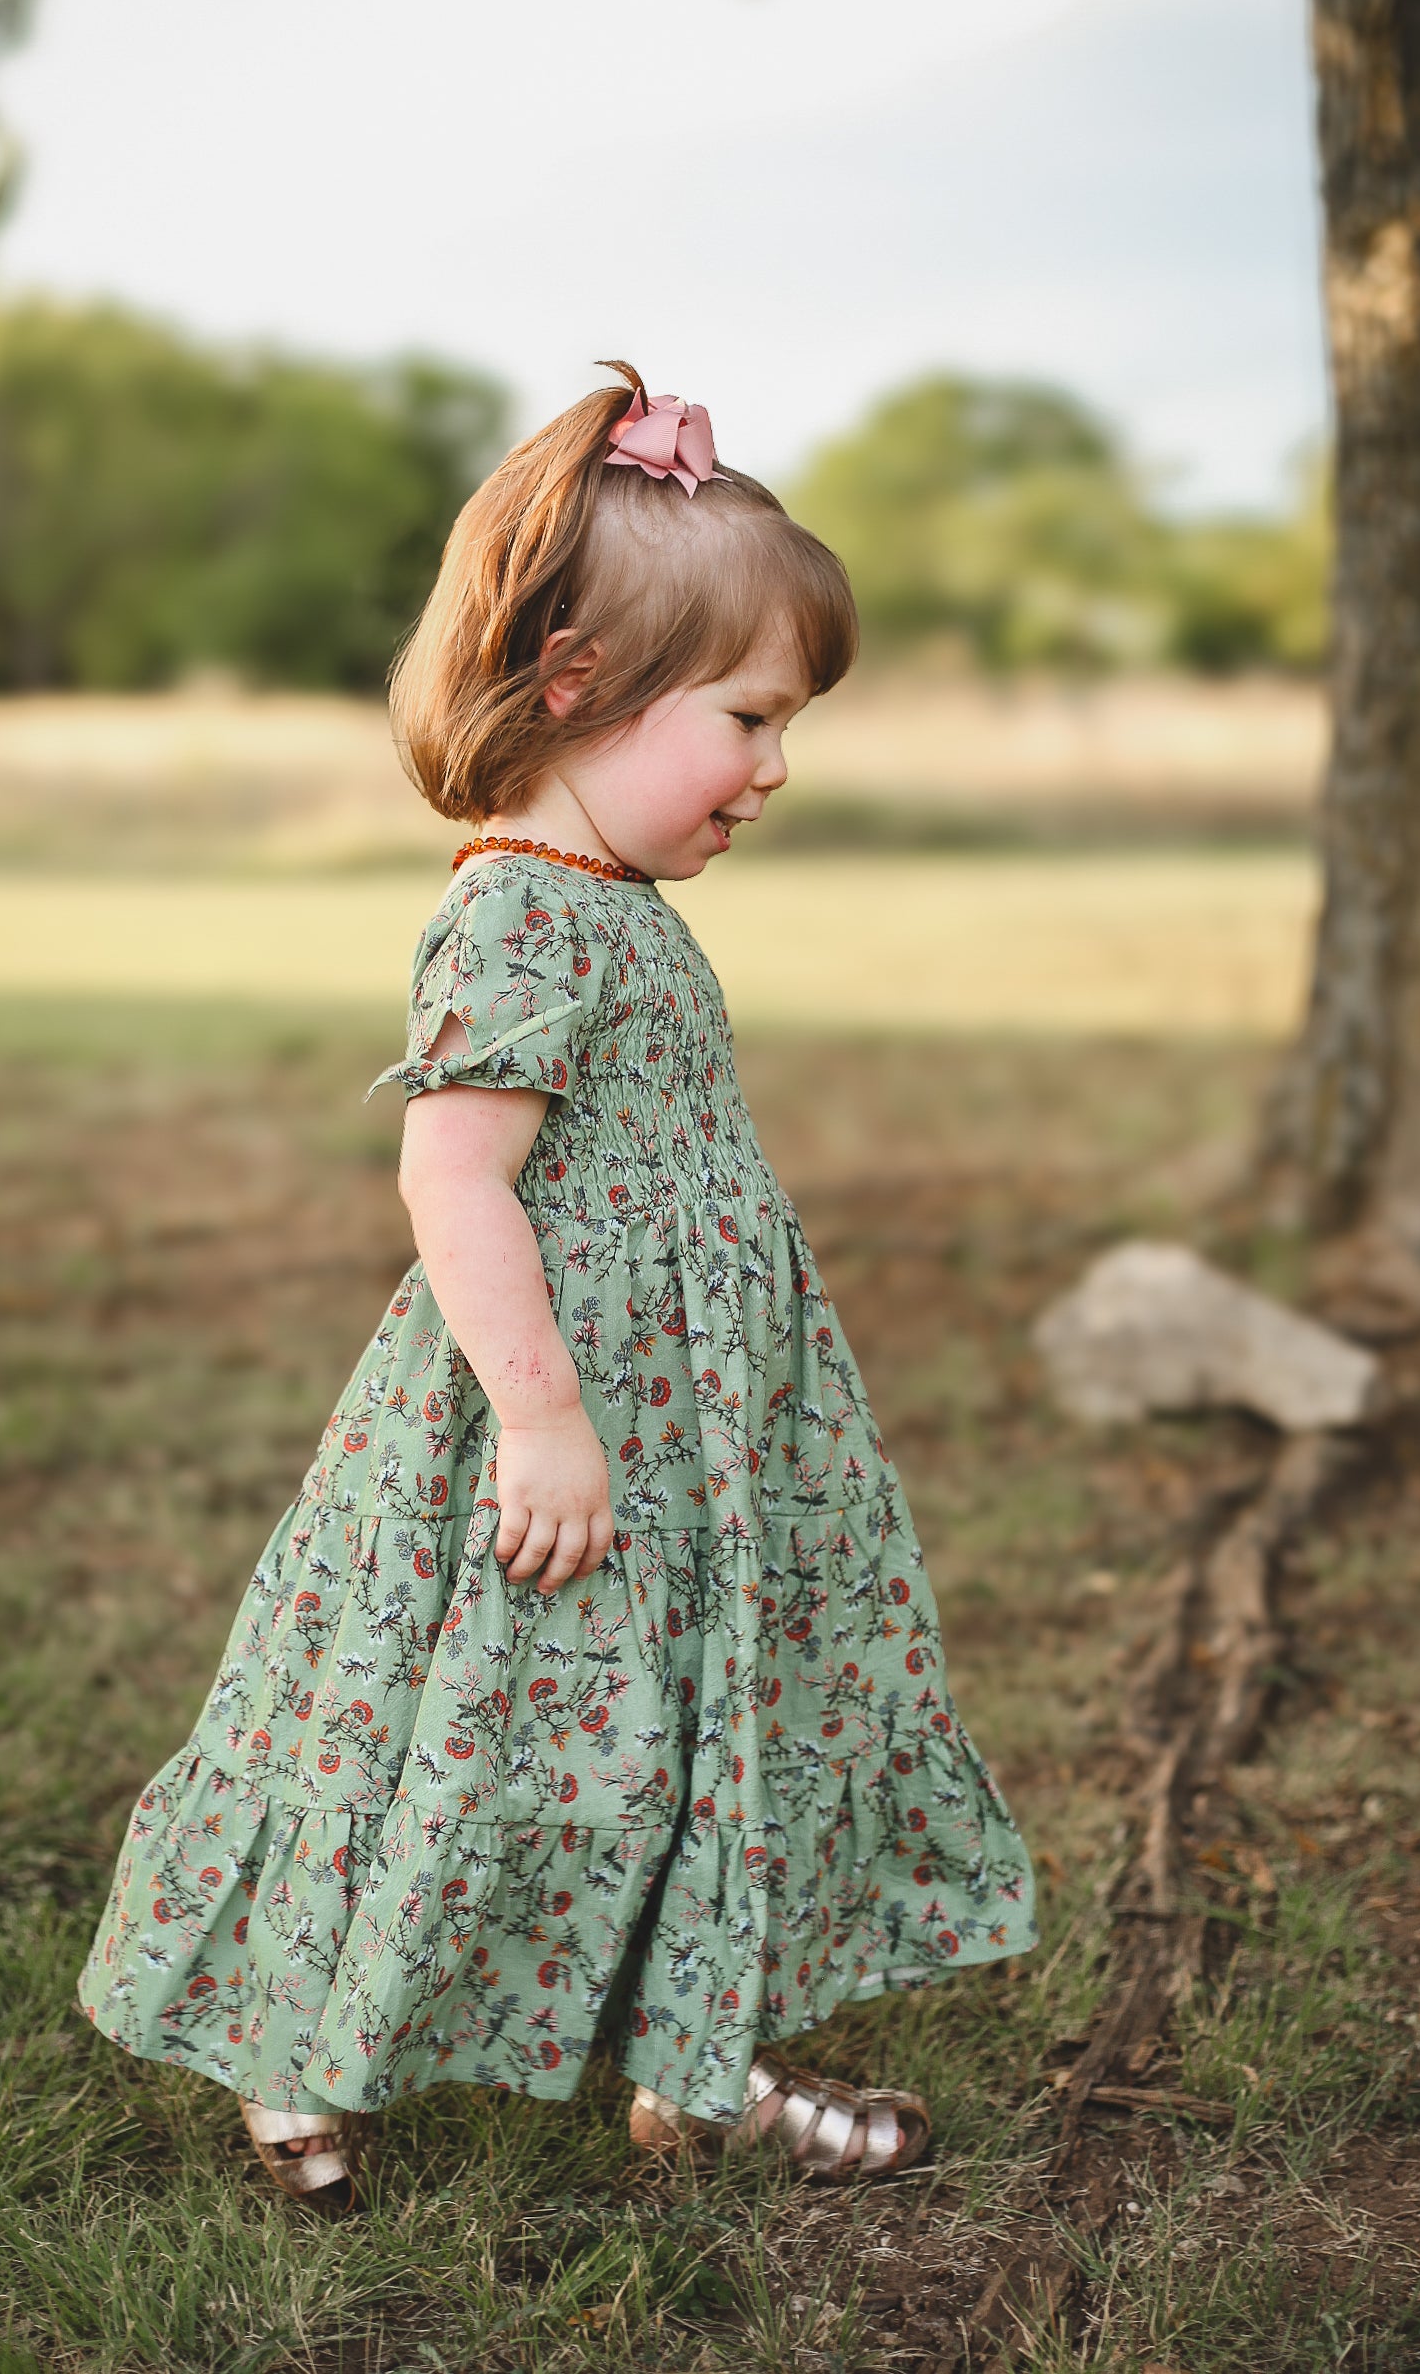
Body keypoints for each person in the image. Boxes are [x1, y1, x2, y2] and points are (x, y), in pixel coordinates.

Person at [78, 364, 1036, 2214]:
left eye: (790, 725)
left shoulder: (624, 911)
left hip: (688, 1427)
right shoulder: (515, 907)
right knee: (437, 1722)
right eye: (750, 716)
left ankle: (699, 2046)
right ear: (580, 683)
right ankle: (298, 2043)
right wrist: (540, 1420)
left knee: (691, 1716)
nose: (774, 766)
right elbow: (455, 1174)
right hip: (550, 1432)